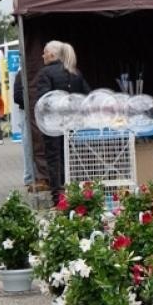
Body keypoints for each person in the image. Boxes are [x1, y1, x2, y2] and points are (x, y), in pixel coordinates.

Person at [33, 40, 88, 196]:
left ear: (51, 54)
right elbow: (86, 96)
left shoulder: (45, 73)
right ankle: (75, 191)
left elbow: (44, 100)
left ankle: (59, 196)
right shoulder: (75, 72)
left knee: (54, 159)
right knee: (71, 157)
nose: (42, 55)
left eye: (44, 52)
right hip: (73, 123)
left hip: (54, 126)